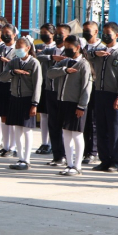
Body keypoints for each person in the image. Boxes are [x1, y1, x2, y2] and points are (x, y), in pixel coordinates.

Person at [47, 35, 92, 176]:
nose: (66, 50)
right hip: (63, 102)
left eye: (69, 48)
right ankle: (69, 164)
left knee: (77, 135)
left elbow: (86, 87)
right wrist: (64, 70)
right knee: (66, 134)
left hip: (76, 104)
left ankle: (77, 166)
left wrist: (81, 106)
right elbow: (50, 73)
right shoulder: (65, 62)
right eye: (65, 47)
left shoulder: (84, 64)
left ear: (78, 47)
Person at [88, 22, 118, 172]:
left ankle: (115, 161)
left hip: (114, 95)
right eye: (103, 33)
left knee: (114, 129)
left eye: (108, 34)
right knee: (101, 128)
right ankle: (104, 160)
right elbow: (83, 54)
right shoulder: (100, 51)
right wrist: (94, 54)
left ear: (116, 35)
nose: (105, 36)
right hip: (99, 93)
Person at [0, 36, 43, 170]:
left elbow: (37, 85)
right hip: (14, 98)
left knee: (27, 130)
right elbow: (2, 77)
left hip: (27, 99)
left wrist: (34, 103)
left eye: (20, 47)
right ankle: (20, 158)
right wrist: (13, 72)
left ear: (28, 48)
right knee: (17, 129)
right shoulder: (14, 62)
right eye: (16, 47)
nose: (17, 50)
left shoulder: (34, 63)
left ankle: (27, 159)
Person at [42, 23, 71, 167]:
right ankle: (57, 156)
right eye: (56, 33)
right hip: (50, 91)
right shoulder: (50, 50)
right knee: (53, 125)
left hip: (65, 93)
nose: (58, 36)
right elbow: (37, 57)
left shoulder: (70, 51)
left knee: (65, 126)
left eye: (61, 34)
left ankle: (67, 155)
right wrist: (51, 57)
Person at [0, 24, 19, 157]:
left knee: (12, 116)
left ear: (14, 34)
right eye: (3, 33)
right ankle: (5, 145)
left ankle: (13, 147)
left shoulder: (18, 50)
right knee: (3, 116)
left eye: (8, 33)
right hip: (0, 83)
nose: (5, 35)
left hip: (11, 84)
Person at [35, 23, 60, 156]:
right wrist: (50, 57)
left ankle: (51, 142)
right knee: (44, 115)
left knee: (53, 116)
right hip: (44, 83)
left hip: (56, 85)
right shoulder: (41, 47)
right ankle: (44, 142)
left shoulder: (58, 47)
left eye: (46, 32)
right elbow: (36, 56)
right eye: (42, 32)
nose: (44, 34)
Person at [80, 20, 103, 163]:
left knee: (94, 120)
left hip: (97, 86)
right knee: (85, 120)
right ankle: (86, 149)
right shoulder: (82, 47)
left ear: (95, 31)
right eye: (84, 30)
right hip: (83, 86)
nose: (85, 33)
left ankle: (93, 151)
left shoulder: (102, 47)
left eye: (88, 30)